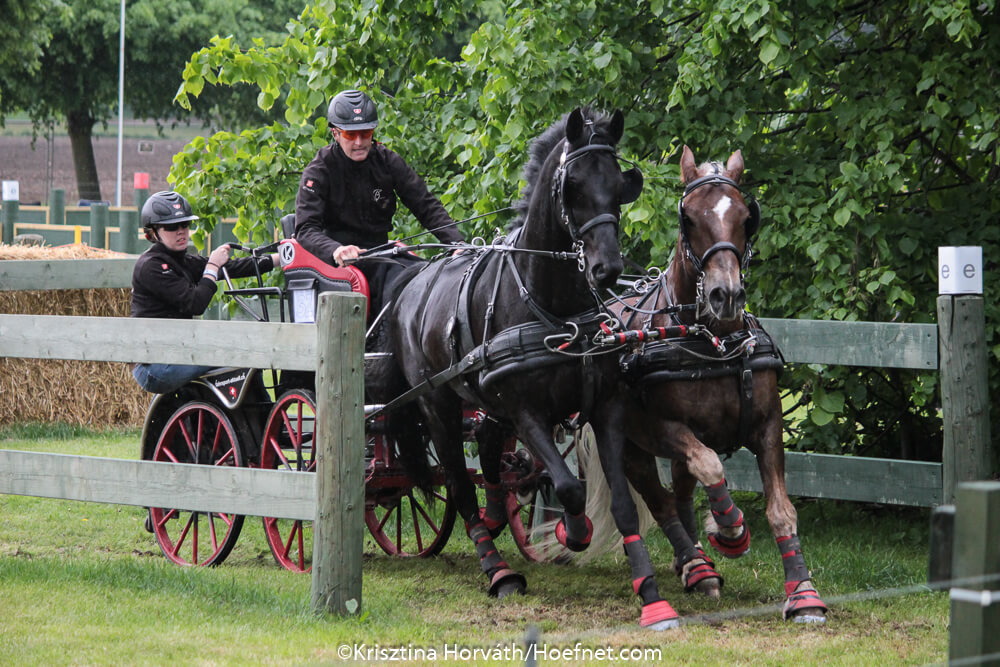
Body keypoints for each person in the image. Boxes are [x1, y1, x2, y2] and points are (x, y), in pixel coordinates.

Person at [294, 88, 464, 321]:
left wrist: (457, 243)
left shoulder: (387, 160)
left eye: (365, 133)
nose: (359, 142)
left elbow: (425, 205)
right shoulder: (319, 169)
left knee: (429, 274)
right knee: (397, 281)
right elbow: (305, 229)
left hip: (381, 252)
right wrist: (336, 250)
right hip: (338, 261)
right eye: (350, 135)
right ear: (335, 133)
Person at [130, 190, 279, 394]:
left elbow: (233, 268)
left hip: (176, 353)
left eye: (185, 224)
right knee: (238, 352)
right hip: (155, 366)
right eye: (172, 226)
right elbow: (195, 303)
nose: (181, 231)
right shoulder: (151, 266)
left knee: (243, 352)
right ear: (152, 233)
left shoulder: (181, 260)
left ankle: (257, 411)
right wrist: (212, 267)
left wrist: (281, 258)